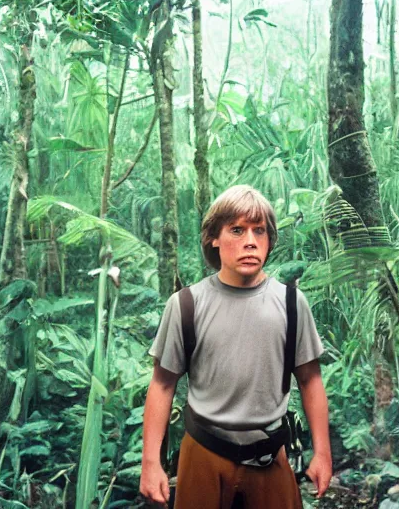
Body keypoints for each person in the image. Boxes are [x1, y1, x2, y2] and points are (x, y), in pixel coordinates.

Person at [139, 185, 331, 508]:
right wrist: (150, 463)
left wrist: (323, 453)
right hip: (203, 453)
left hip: (270, 456)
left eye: (259, 231)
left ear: (269, 240)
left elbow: (310, 380)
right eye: (237, 230)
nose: (250, 242)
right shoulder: (187, 305)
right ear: (214, 237)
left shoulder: (291, 304)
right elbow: (162, 384)